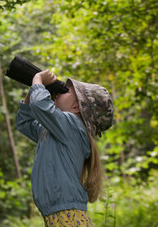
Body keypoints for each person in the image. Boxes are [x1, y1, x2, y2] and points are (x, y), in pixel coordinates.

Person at [16, 70, 113, 226]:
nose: (59, 92)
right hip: (63, 217)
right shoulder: (56, 130)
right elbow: (24, 123)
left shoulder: (74, 126)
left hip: (68, 218)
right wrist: (33, 89)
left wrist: (38, 79)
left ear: (76, 107)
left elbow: (39, 105)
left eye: (67, 90)